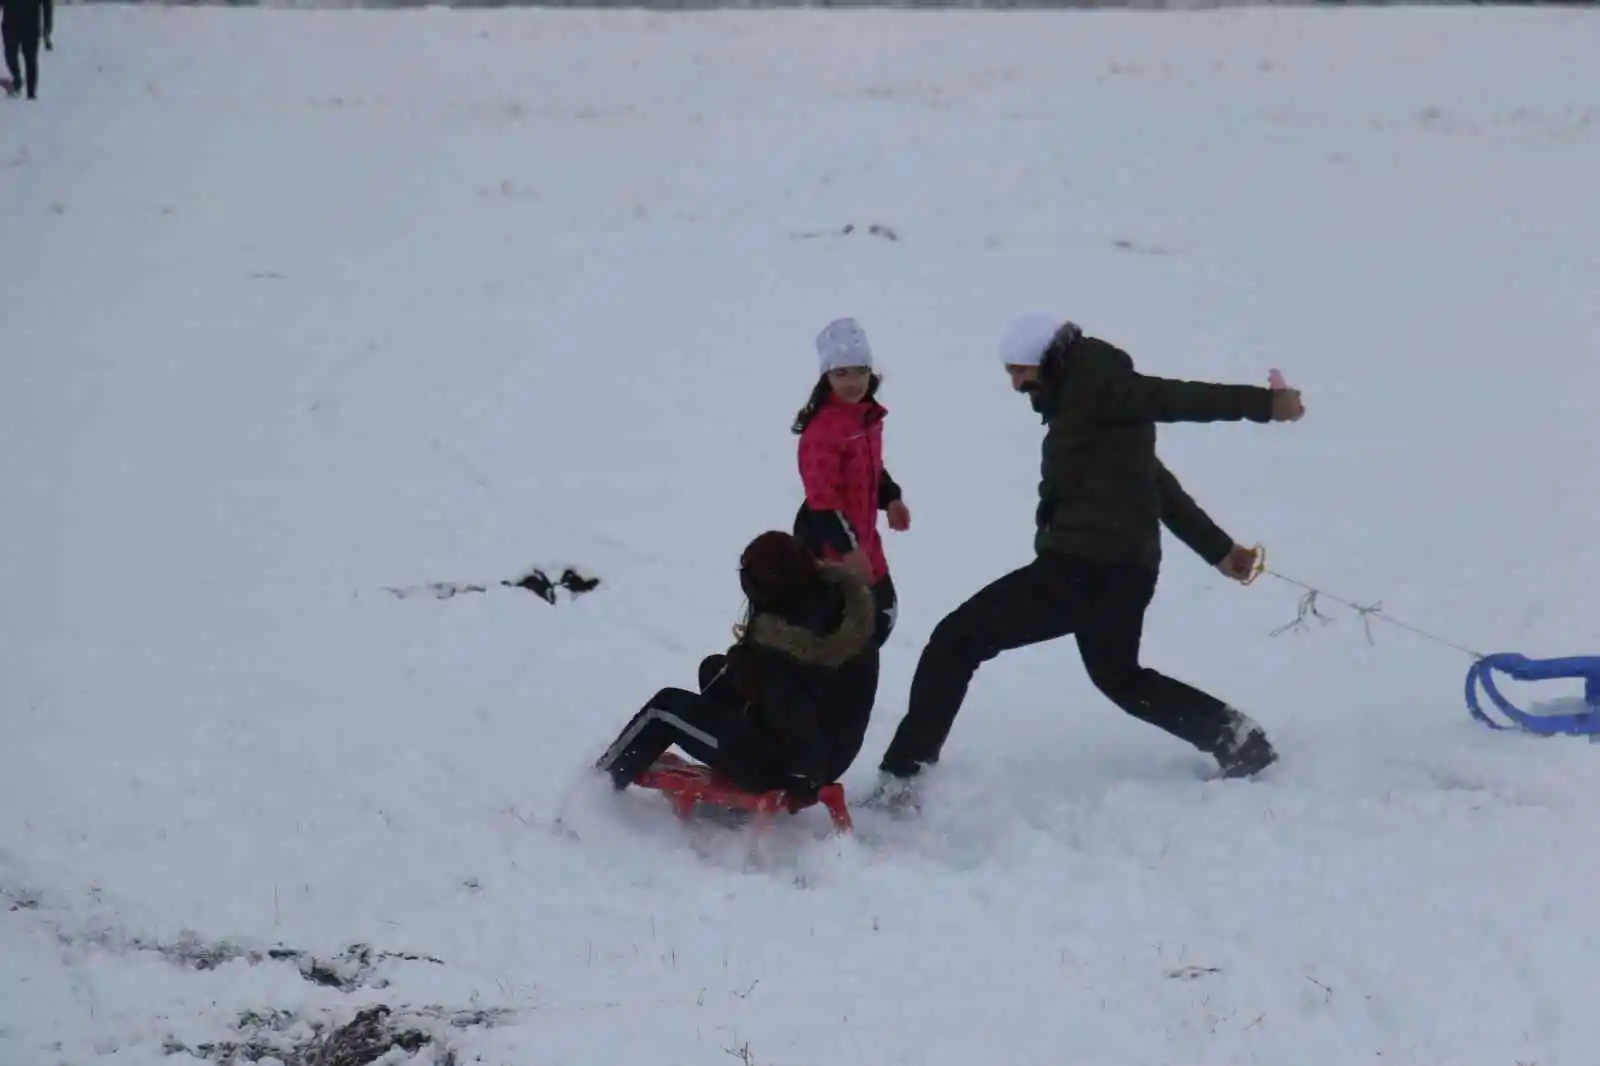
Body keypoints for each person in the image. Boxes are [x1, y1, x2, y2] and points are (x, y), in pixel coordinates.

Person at [866, 314, 1306, 812]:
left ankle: (902, 777)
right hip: (1121, 571)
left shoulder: (1100, 386)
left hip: (1084, 568)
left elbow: (1178, 397)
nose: (1015, 385)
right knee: (1120, 677)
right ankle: (1240, 741)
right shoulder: (1083, 402)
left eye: (1019, 370)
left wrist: (1267, 405)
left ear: (1047, 360)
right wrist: (1220, 550)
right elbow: (1155, 484)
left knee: (955, 641)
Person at [595, 530, 880, 808]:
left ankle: (599, 787)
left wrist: (799, 781)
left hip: (789, 767)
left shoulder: (780, 644)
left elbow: (792, 709)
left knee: (665, 709)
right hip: (836, 753)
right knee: (713, 669)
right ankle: (721, 739)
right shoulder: (846, 610)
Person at [791, 317, 908, 649]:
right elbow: (821, 502)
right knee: (843, 636)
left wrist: (891, 498)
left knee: (881, 617)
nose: (853, 382)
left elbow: (869, 468)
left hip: (864, 538)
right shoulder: (823, 432)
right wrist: (848, 550)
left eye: (860, 371)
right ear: (825, 377)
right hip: (830, 550)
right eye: (840, 373)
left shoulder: (866, 417)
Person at [1, 0, 49, 101]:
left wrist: (47, 28)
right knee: (13, 54)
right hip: (14, 22)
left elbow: (46, 4)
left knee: (29, 57)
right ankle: (18, 79)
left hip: (27, 23)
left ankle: (30, 91)